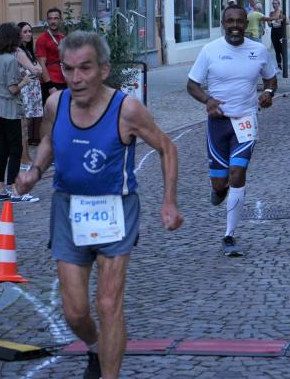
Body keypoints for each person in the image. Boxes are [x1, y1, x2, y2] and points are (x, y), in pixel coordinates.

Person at [15, 31, 183, 379]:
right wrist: (34, 172)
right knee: (75, 312)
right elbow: (49, 139)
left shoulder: (126, 109)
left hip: (115, 209)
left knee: (107, 303)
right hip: (67, 208)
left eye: (85, 68)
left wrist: (169, 201)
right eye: (68, 69)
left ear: (103, 70)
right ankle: (94, 346)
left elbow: (167, 147)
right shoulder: (56, 104)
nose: (75, 78)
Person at [187, 6, 278, 257]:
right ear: (223, 24)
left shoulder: (258, 50)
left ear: (246, 24)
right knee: (220, 182)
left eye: (239, 21)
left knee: (237, 173)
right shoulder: (210, 50)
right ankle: (219, 190)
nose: (235, 26)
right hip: (218, 123)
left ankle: (229, 235)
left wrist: (268, 92)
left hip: (246, 121)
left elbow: (271, 79)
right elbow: (192, 85)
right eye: (230, 21)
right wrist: (207, 100)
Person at [0, 23, 40, 203]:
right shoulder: (10, 60)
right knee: (15, 149)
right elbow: (13, 89)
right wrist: (24, 81)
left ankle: (0, 189)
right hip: (10, 109)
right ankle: (16, 190)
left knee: (3, 149)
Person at [16, 22, 44, 168]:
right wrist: (37, 69)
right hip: (25, 90)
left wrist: (37, 69)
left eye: (30, 31)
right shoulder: (19, 51)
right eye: (25, 32)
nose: (28, 34)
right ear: (19, 34)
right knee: (23, 126)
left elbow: (39, 69)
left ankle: (26, 156)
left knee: (28, 124)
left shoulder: (28, 50)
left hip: (32, 89)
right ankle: (23, 157)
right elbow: (36, 70)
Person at [36, 7, 67, 102]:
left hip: (64, 79)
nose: (53, 21)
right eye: (50, 18)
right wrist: (49, 85)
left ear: (60, 20)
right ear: (47, 21)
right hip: (50, 82)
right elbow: (42, 64)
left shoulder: (63, 38)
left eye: (56, 18)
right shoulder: (42, 39)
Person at [268, 0, 287, 70]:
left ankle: (285, 65)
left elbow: (287, 21)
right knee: (276, 49)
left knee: (282, 48)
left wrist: (280, 21)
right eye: (273, 3)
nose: (274, 5)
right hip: (274, 31)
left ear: (279, 4)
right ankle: (279, 65)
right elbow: (269, 24)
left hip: (280, 31)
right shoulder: (271, 13)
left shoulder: (281, 12)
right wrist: (270, 22)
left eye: (275, 3)